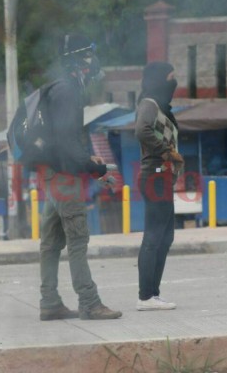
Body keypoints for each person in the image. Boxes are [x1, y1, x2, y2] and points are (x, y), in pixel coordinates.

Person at [38, 34, 122, 321]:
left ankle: (49, 302)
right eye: (89, 54)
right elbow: (65, 141)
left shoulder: (54, 88)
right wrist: (93, 168)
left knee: (50, 243)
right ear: (78, 59)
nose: (93, 60)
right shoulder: (68, 91)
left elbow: (65, 139)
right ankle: (89, 302)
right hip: (64, 177)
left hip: (51, 174)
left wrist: (87, 159)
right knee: (77, 241)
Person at [134, 61, 184, 311]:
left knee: (166, 236)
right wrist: (167, 151)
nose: (174, 82)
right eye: (170, 77)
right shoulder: (149, 104)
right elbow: (142, 130)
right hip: (154, 174)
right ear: (159, 80)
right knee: (154, 236)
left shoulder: (162, 107)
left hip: (162, 177)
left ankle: (153, 293)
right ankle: (146, 296)